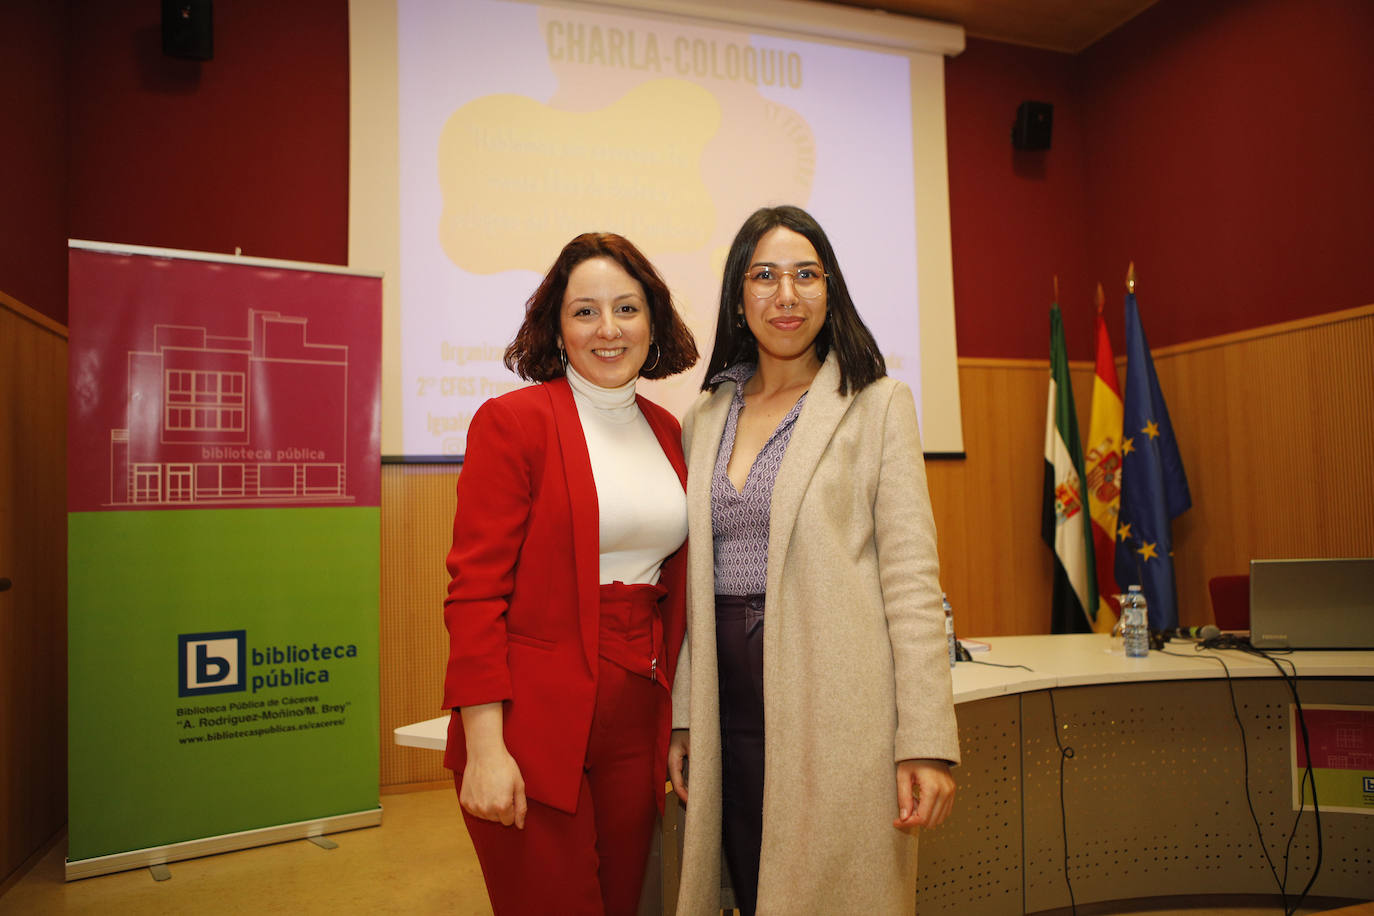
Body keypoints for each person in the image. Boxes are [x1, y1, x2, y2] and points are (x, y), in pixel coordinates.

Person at [667, 206, 959, 915]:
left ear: (830, 291)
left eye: (805, 274)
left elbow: (913, 580)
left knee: (832, 891)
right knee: (746, 871)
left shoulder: (877, 404)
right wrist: (683, 717)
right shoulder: (704, 415)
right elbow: (685, 586)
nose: (785, 294)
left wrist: (926, 738)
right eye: (764, 276)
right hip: (725, 702)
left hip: (837, 705)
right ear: (740, 296)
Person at [441, 232, 698, 915]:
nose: (608, 329)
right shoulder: (513, 423)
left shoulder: (669, 431)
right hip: (532, 726)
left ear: (654, 321)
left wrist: (678, 722)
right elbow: (474, 595)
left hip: (636, 720)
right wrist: (485, 749)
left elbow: (676, 595)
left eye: (627, 308)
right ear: (556, 325)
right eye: (585, 311)